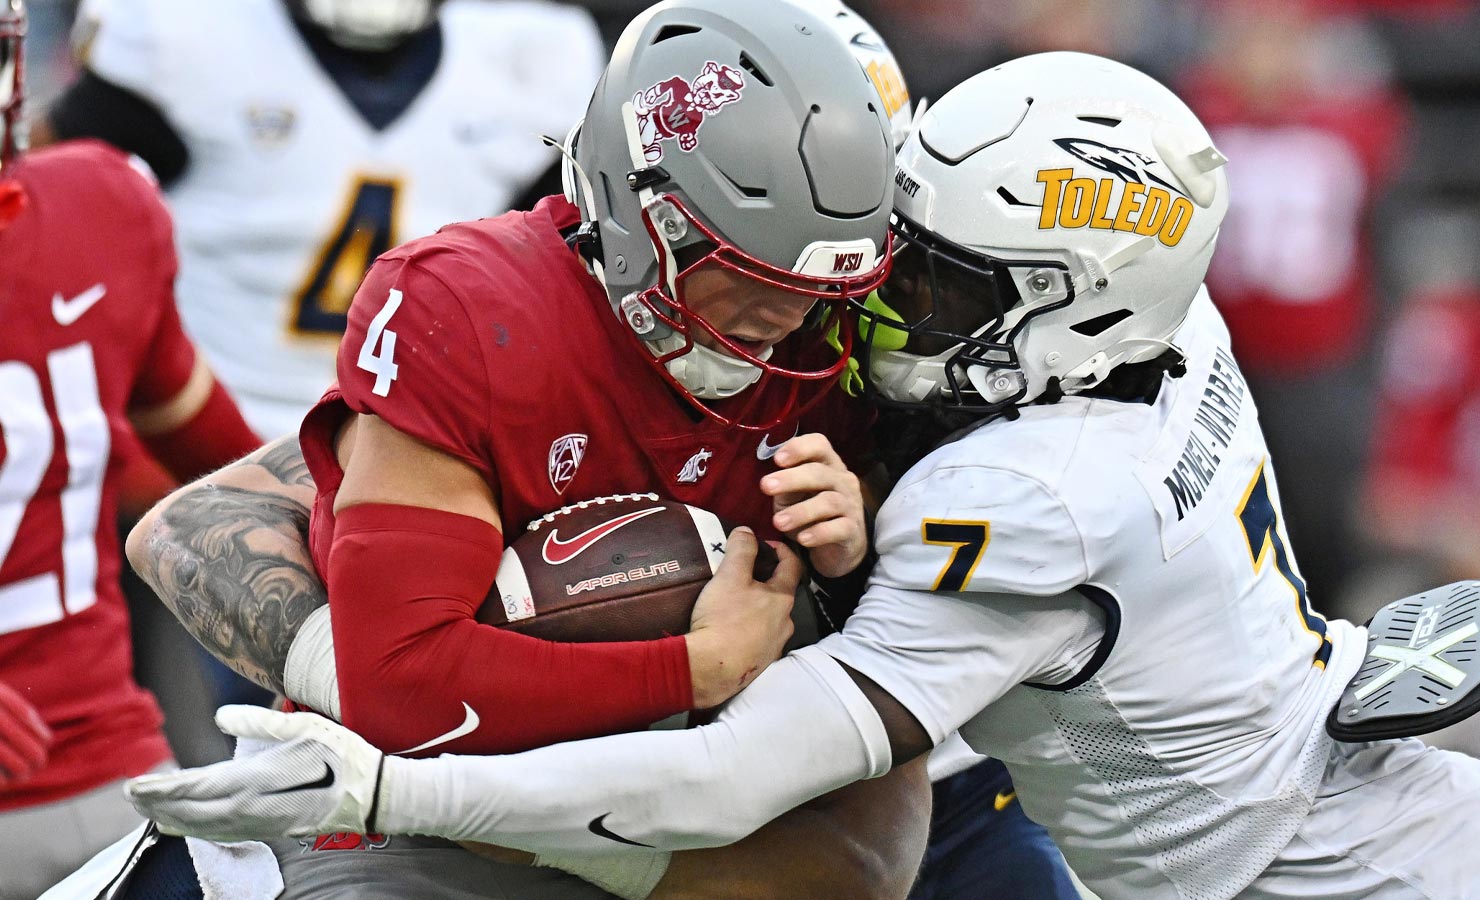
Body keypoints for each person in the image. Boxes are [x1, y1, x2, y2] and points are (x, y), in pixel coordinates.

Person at [127, 52, 1480, 900]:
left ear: (1066, 306)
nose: (879, 313)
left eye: (944, 286)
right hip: (1421, 822)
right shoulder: (1167, 318)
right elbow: (201, 523)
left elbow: (724, 782)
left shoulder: (1021, 499)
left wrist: (392, 783)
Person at [108, 2, 933, 898]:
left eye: (820, 284)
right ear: (640, 210)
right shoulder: (477, 313)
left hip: (685, 825)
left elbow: (863, 861)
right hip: (408, 827)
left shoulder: (861, 342)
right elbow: (231, 554)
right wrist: (693, 667)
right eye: (751, 271)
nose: (789, 317)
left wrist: (853, 572)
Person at [35, 0, 604, 440]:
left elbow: (569, 285)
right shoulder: (185, 34)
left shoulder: (534, 57)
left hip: (414, 443)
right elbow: (43, 214)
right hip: (189, 430)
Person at [0, 2, 262, 896]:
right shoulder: (99, 202)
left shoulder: (97, 206)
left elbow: (218, 454)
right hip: (107, 795)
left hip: (105, 783)